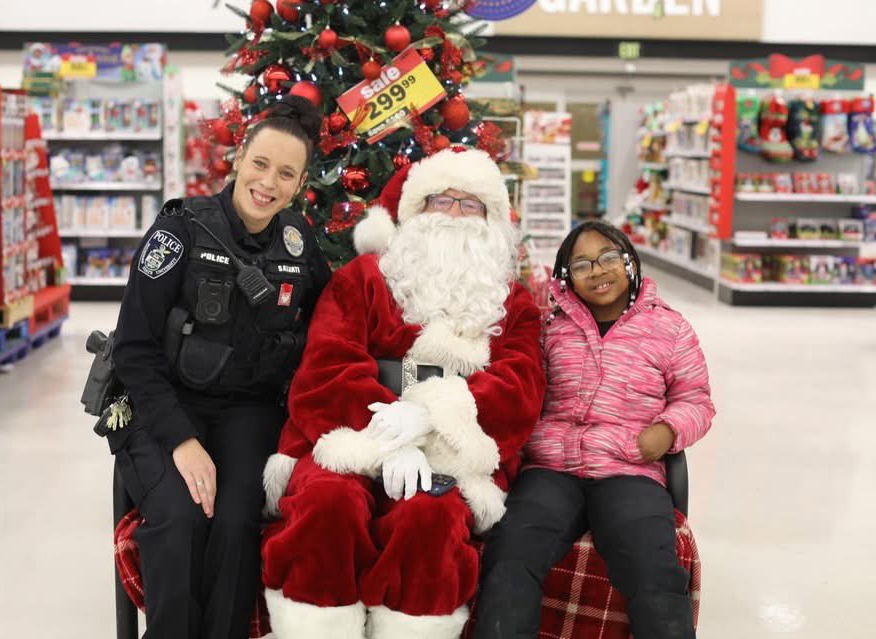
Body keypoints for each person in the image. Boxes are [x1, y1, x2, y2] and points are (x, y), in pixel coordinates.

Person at [258, 148, 547, 639]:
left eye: (470, 204)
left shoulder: (510, 301)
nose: (454, 214)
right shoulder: (365, 278)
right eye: (441, 200)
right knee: (328, 504)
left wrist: (431, 420)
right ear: (415, 213)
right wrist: (390, 434)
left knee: (430, 519)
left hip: (450, 458)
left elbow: (519, 386)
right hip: (347, 439)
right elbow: (327, 367)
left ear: (491, 220)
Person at [109, 95, 332, 639]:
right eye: (260, 164)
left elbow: (331, 328)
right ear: (237, 159)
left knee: (236, 524)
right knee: (181, 519)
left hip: (247, 410)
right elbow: (133, 349)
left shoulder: (300, 247)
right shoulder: (180, 230)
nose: (268, 183)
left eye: (285, 173)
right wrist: (182, 441)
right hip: (162, 405)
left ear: (300, 185)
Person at [471, 221, 716, 639]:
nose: (598, 271)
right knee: (511, 557)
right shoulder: (549, 327)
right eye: (582, 265)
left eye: (607, 258)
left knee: (653, 568)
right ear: (566, 277)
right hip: (551, 470)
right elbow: (525, 389)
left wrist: (668, 430)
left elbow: (697, 400)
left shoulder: (670, 329)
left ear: (629, 261)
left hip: (629, 470)